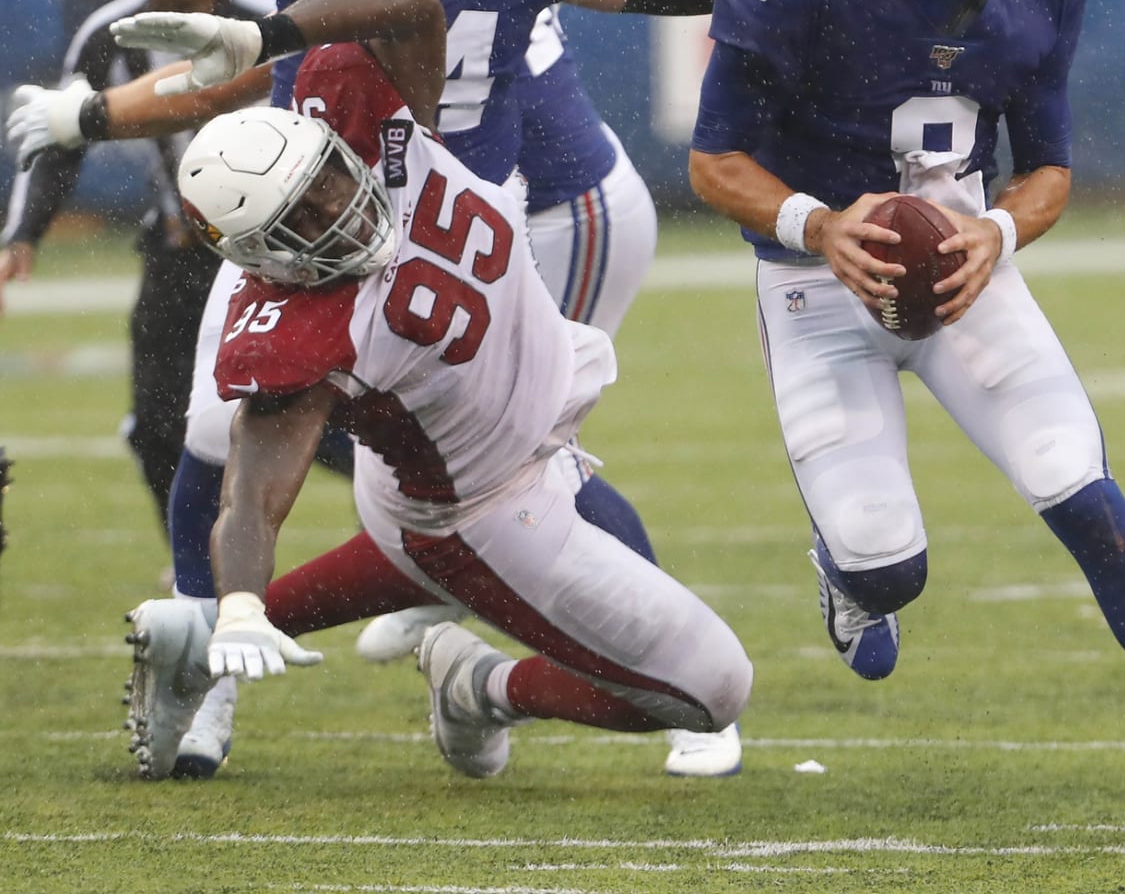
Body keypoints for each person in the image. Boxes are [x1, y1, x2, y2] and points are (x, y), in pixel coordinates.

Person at [0, 0, 741, 776]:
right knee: (228, 429)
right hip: (315, 202)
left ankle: (308, 639)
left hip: (469, 220)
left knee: (508, 471)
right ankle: (218, 644)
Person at [687, 0, 1125, 760]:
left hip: (965, 271)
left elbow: (1047, 165)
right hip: (816, 287)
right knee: (887, 563)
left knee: (1076, 485)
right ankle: (850, 581)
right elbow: (713, 165)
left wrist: (995, 231)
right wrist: (820, 226)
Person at [122, 53, 752, 783]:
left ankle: (191, 648)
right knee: (710, 690)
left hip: (477, 455)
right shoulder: (298, 330)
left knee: (415, 561)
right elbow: (252, 498)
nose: (335, 208)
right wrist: (234, 602)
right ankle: (479, 687)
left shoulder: (373, 120)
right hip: (478, 508)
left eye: (324, 178)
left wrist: (276, 29)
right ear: (256, 253)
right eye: (299, 217)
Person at [0, 0, 274, 539]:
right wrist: (22, 233)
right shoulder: (108, 30)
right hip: (181, 245)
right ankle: (192, 569)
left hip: (275, 253)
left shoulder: (272, 14)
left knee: (304, 414)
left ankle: (403, 540)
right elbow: (59, 136)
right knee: (155, 423)